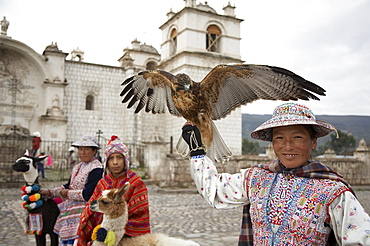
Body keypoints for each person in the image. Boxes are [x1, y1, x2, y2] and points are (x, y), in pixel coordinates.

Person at [181, 102, 370, 245]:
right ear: (272, 143)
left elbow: (361, 239)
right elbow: (214, 189)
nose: (288, 146)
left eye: (297, 137)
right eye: (279, 138)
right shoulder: (256, 178)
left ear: (313, 142)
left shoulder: (333, 191)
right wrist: (197, 151)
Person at [77, 135, 150, 246]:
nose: (115, 162)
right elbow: (92, 207)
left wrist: (117, 230)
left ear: (125, 159)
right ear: (106, 161)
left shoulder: (135, 182)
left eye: (119, 157)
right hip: (101, 233)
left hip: (127, 236)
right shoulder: (103, 183)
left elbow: (140, 213)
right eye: (111, 158)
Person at [40, 135, 103, 246]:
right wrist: (50, 192)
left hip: (85, 213)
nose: (82, 152)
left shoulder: (96, 168)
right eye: (80, 149)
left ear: (94, 151)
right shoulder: (77, 167)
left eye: (87, 149)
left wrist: (67, 194)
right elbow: (69, 185)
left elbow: (88, 194)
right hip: (71, 212)